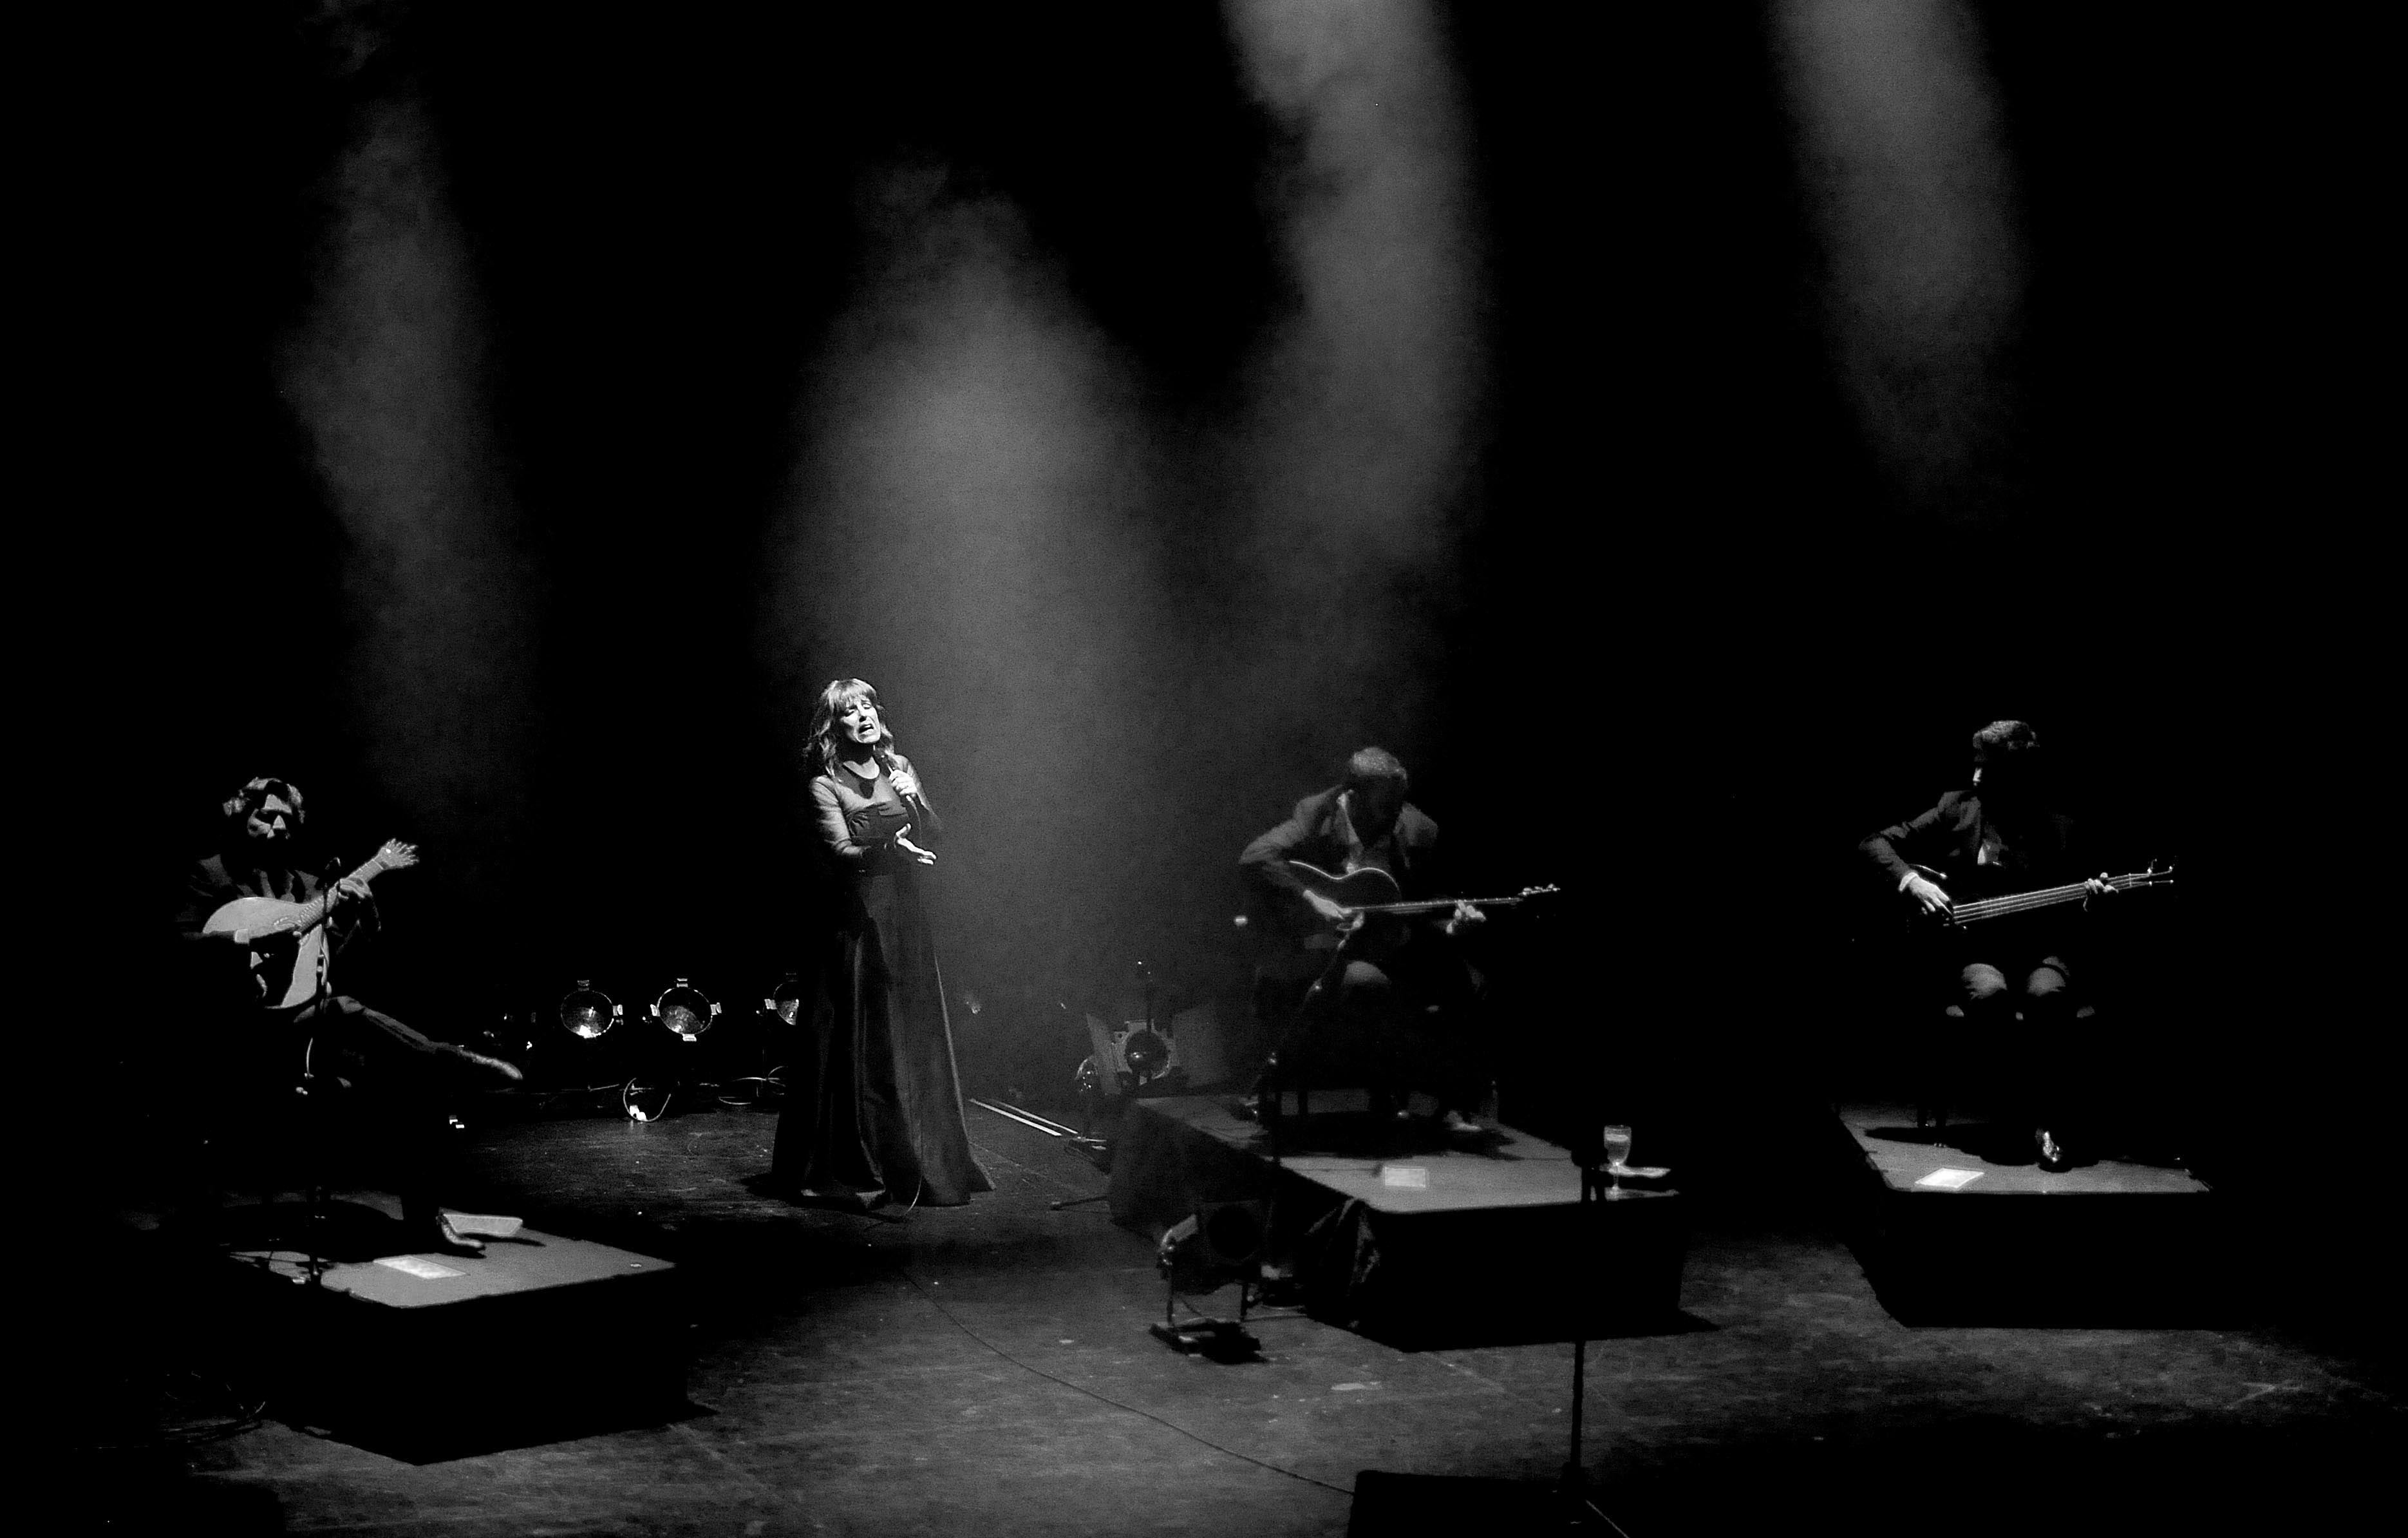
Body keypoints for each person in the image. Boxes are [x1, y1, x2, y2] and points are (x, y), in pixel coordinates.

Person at [171, 775, 521, 1257]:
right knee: (339, 1010)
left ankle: (425, 1220)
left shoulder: (312, 885)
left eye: (286, 819)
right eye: (264, 815)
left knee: (411, 1079)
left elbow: (328, 961)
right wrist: (243, 941)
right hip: (240, 1032)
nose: (276, 826)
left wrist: (356, 917)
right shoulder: (210, 875)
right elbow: (179, 947)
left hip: (308, 1026)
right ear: (240, 816)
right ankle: (453, 1058)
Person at [771, 680, 991, 1209]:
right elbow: (841, 852)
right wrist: (889, 845)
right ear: (834, 726)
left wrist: (914, 798)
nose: (863, 717)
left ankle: (924, 1154)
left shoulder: (899, 765)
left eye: (868, 706)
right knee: (862, 1038)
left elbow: (935, 831)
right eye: (850, 712)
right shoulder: (825, 783)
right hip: (859, 919)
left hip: (907, 919)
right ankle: (862, 1158)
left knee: (912, 1034)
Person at [1859, 720, 2116, 1171]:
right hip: (1977, 950)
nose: (1975, 777)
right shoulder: (1956, 808)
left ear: (2018, 773)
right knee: (1990, 996)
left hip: (2040, 951)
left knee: (2048, 996)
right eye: (1976, 766)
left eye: (1987, 768)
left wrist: (2096, 902)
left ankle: (2046, 1119)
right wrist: (1912, 881)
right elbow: (1874, 843)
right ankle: (2017, 1116)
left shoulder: (2060, 827)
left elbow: (2080, 908)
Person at [1239, 746, 1489, 1143]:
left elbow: (1429, 912)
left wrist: (1454, 928)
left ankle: (1451, 1103)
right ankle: (1383, 1105)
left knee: (1469, 981)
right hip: (1328, 947)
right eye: (1383, 808)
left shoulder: (1419, 831)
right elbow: (1255, 857)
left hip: (1395, 944)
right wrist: (1313, 899)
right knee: (1364, 982)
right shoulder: (1316, 815)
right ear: (1352, 796)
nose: (1393, 816)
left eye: (1398, 804)